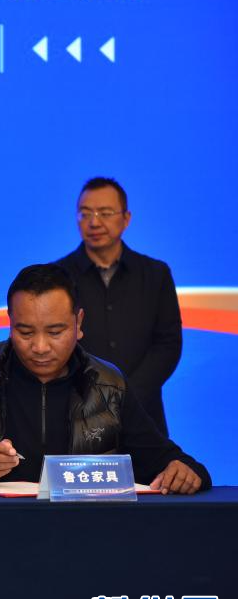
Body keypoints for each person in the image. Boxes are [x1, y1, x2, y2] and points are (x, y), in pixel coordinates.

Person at [0, 264, 210, 494]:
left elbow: (165, 459)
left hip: (83, 535)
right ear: (10, 323)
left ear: (78, 324)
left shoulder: (108, 384)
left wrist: (185, 470)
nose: (40, 347)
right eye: (25, 332)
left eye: (55, 332)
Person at [55, 176, 181, 435]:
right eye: (85, 213)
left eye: (105, 213)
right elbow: (54, 344)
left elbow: (167, 345)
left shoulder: (155, 274)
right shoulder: (58, 277)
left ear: (126, 218)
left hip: (144, 415)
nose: (94, 222)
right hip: (77, 415)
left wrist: (127, 396)